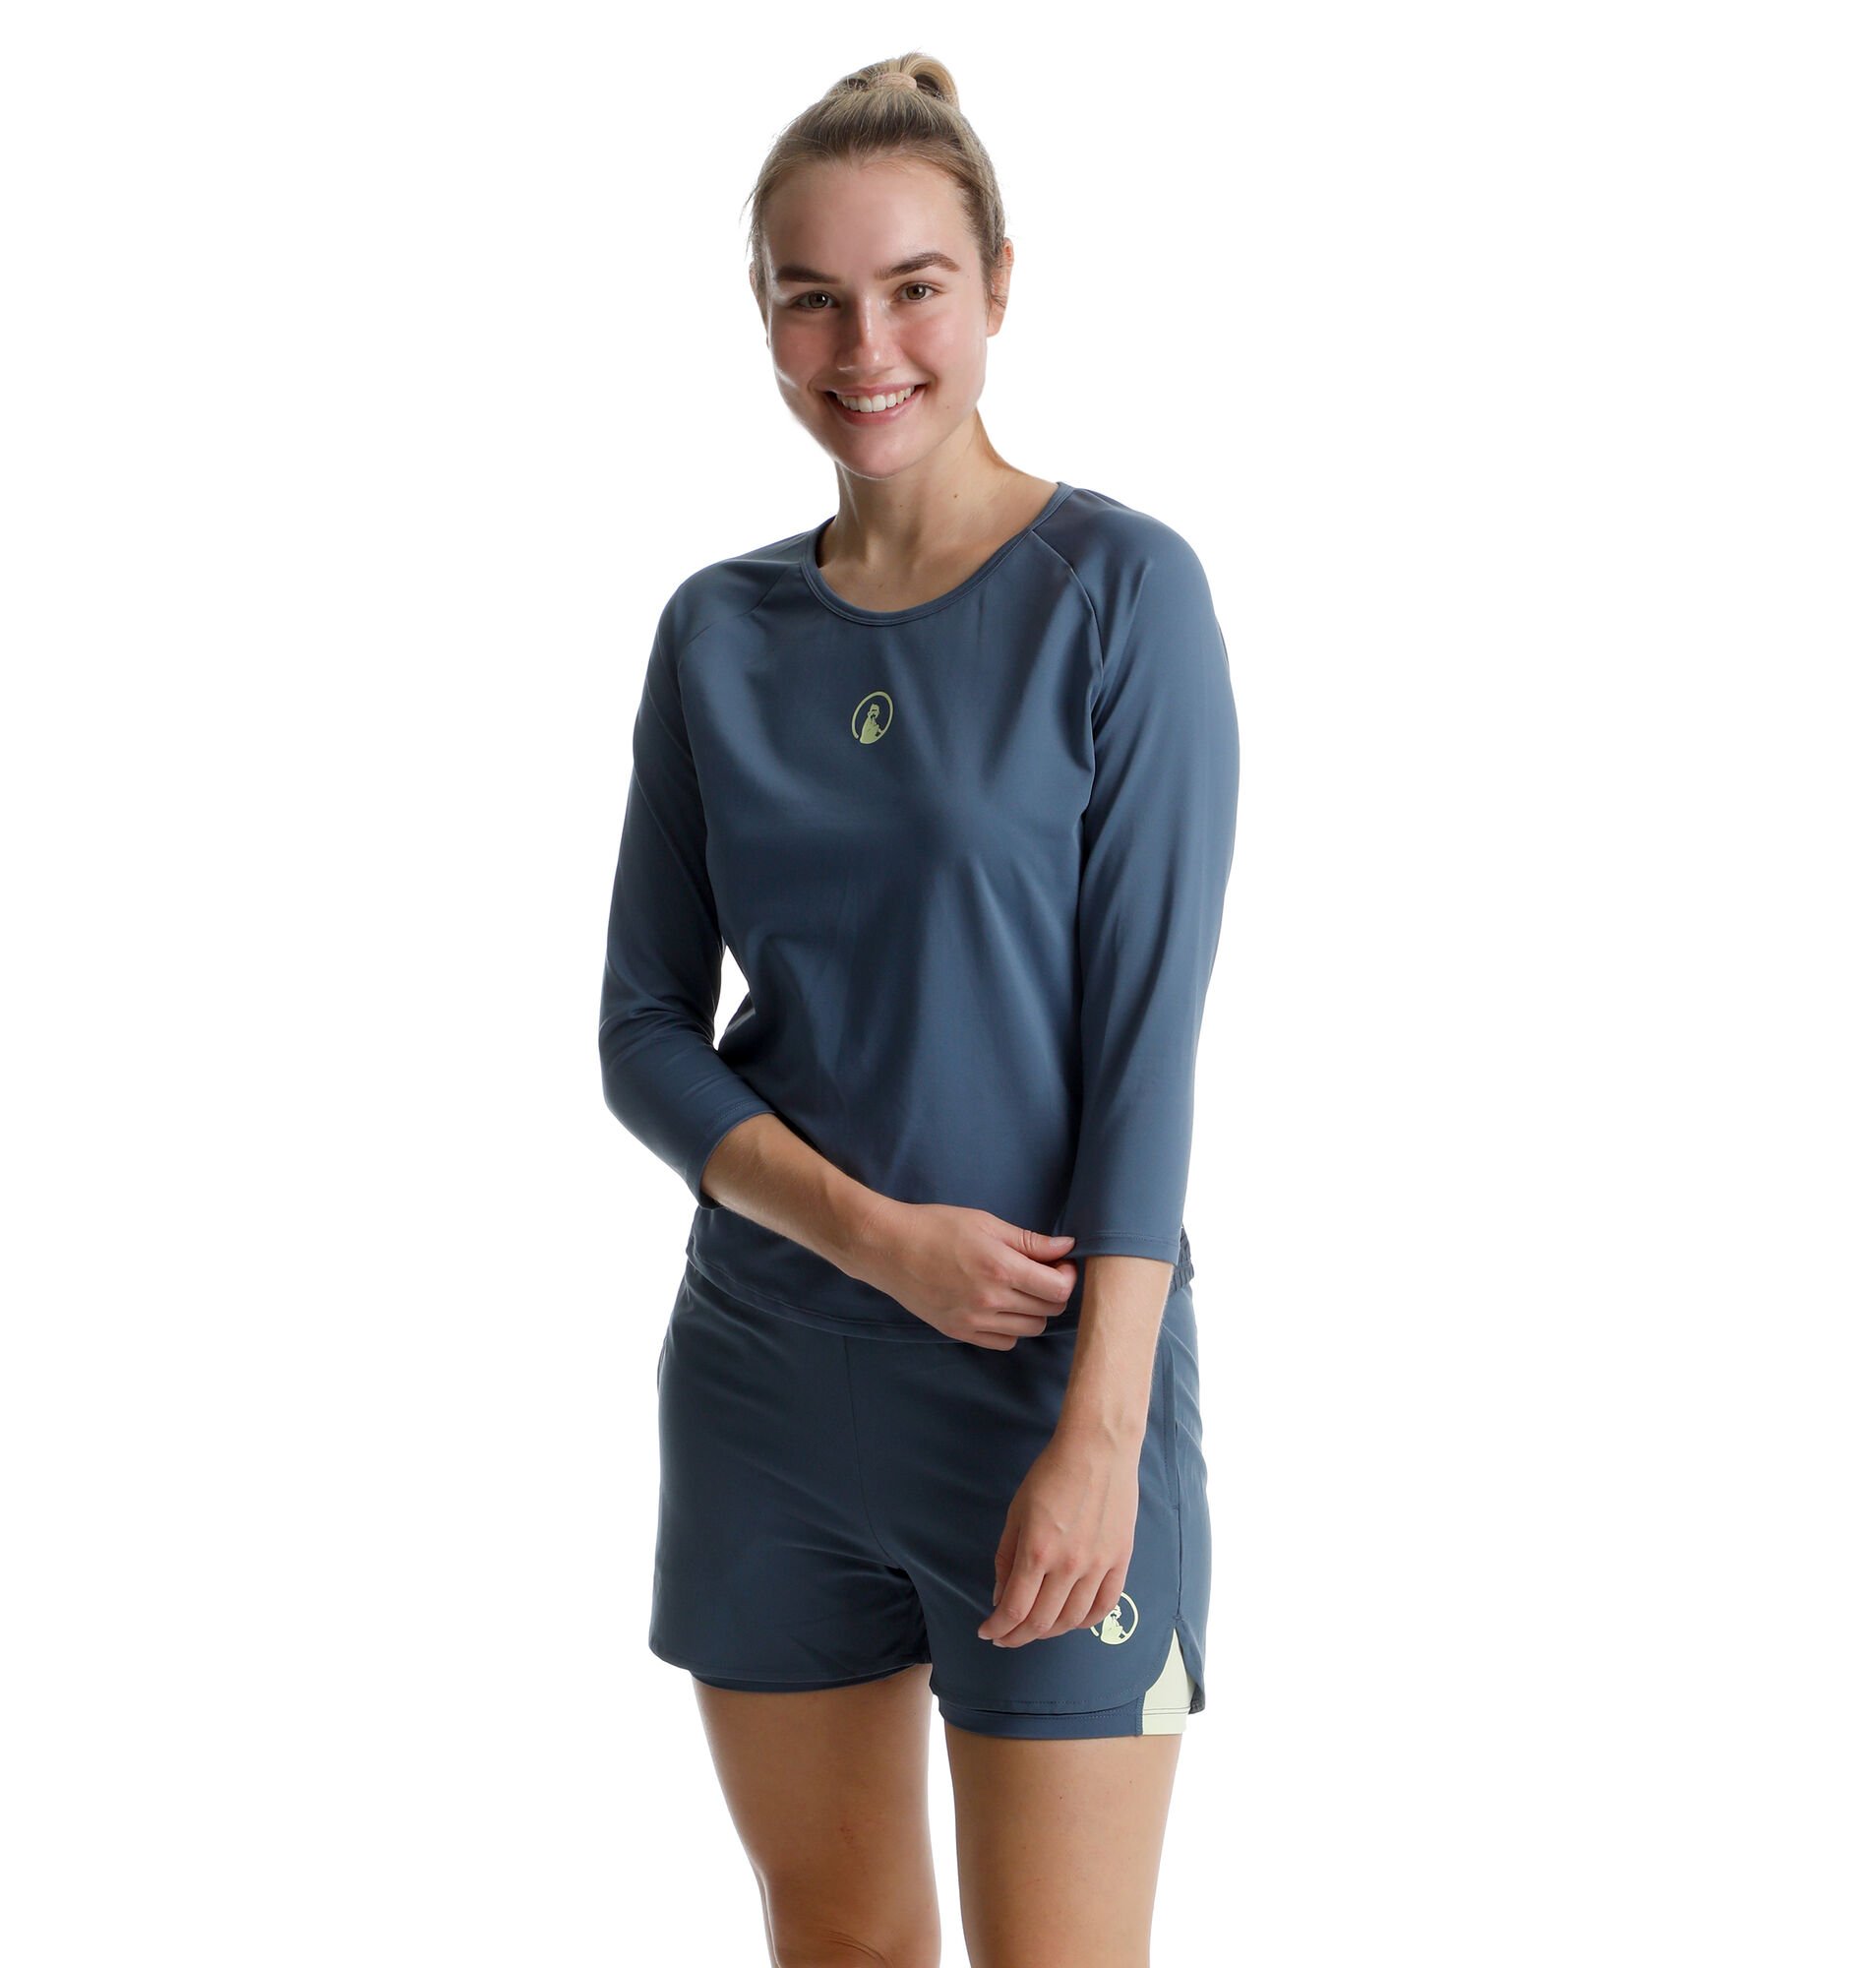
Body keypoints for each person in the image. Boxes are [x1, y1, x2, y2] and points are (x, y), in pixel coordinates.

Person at [597, 50, 1241, 1968]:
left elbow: (1144, 1046)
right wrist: (875, 1239)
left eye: (913, 288)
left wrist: (1102, 1432)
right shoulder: (716, 631)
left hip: (1047, 1390)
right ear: (762, 314)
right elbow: (641, 1027)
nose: (864, 346)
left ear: (999, 287)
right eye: (812, 296)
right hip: (766, 1385)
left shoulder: (1120, 593)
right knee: (842, 1944)